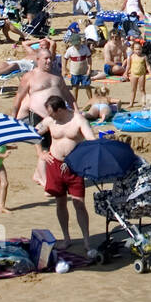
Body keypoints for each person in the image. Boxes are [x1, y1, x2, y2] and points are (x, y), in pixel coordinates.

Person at [36, 95, 99, 256]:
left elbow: (91, 141)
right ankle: (66, 238)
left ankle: (86, 240)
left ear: (61, 109)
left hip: (74, 167)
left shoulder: (78, 120)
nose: (50, 116)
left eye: (52, 113)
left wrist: (75, 160)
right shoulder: (50, 121)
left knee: (79, 203)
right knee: (60, 202)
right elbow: (34, 133)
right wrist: (41, 153)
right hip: (55, 164)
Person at [12, 45, 72, 125]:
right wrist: (13, 117)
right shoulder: (29, 76)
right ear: (38, 60)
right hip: (38, 117)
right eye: (46, 58)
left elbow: (67, 94)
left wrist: (77, 111)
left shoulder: (57, 75)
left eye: (50, 58)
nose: (49, 61)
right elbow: (18, 98)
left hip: (58, 117)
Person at [63, 35, 93, 106]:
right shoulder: (70, 50)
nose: (76, 45)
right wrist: (64, 68)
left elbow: (89, 58)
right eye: (75, 44)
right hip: (74, 72)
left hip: (84, 71)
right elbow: (65, 59)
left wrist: (89, 68)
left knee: (87, 86)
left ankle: (91, 101)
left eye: (77, 43)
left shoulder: (85, 48)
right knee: (75, 87)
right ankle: (74, 104)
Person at [127, 40, 150, 107]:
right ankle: (131, 103)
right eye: (136, 49)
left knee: (142, 89)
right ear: (133, 49)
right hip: (133, 74)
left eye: (139, 49)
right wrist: (125, 73)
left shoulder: (144, 56)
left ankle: (144, 103)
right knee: (133, 89)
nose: (138, 51)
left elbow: (148, 65)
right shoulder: (131, 57)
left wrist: (150, 73)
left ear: (142, 49)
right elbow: (128, 66)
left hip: (141, 74)